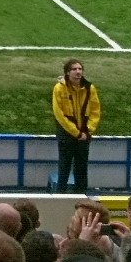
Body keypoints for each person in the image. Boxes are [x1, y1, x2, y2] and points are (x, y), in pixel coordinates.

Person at [51, 59, 100, 193]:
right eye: (74, 69)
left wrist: (88, 130)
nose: (78, 72)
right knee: (64, 168)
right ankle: (60, 198)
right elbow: (59, 114)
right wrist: (76, 133)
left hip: (84, 134)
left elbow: (95, 111)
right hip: (67, 134)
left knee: (81, 169)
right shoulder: (59, 88)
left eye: (80, 69)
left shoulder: (90, 88)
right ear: (68, 72)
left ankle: (81, 198)